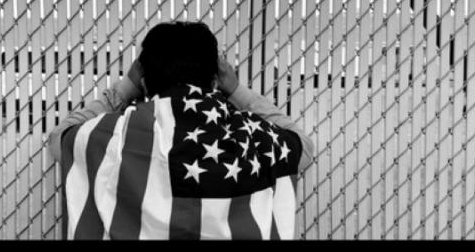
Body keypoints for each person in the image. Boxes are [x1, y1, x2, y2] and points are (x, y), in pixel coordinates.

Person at [46, 21, 315, 240]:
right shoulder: (247, 135)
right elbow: (302, 147)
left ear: (145, 79)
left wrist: (127, 85)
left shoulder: (117, 134)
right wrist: (236, 90)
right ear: (215, 77)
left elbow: (62, 138)